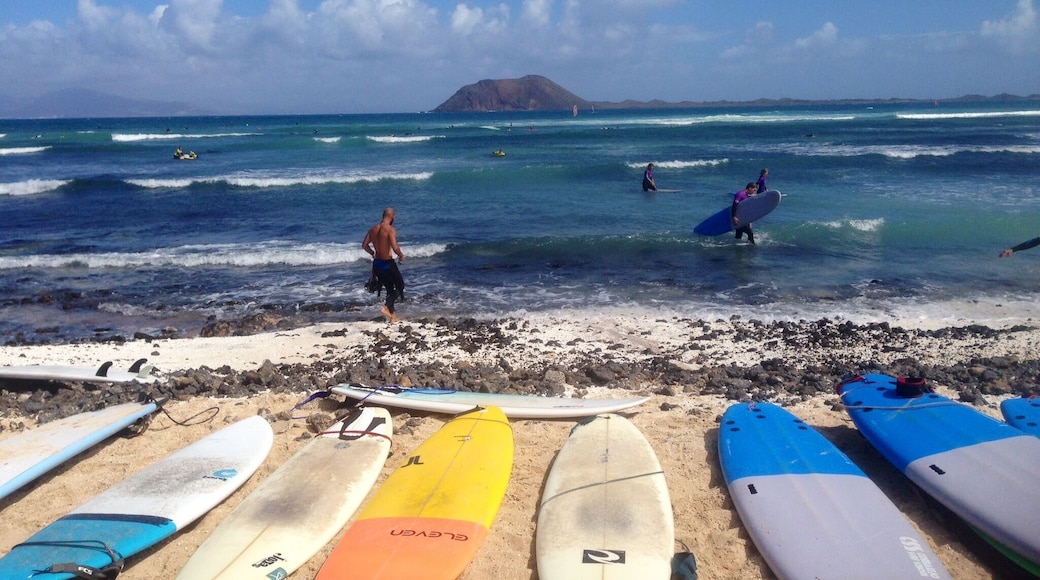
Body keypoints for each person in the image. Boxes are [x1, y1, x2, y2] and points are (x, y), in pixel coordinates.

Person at [362, 207, 405, 323]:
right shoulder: (390, 229)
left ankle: (393, 316)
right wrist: (401, 255)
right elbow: (395, 247)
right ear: (392, 216)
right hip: (387, 263)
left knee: (390, 289)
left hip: (377, 264)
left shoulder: (373, 229)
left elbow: (364, 245)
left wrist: (372, 253)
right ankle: (386, 308)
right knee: (400, 286)